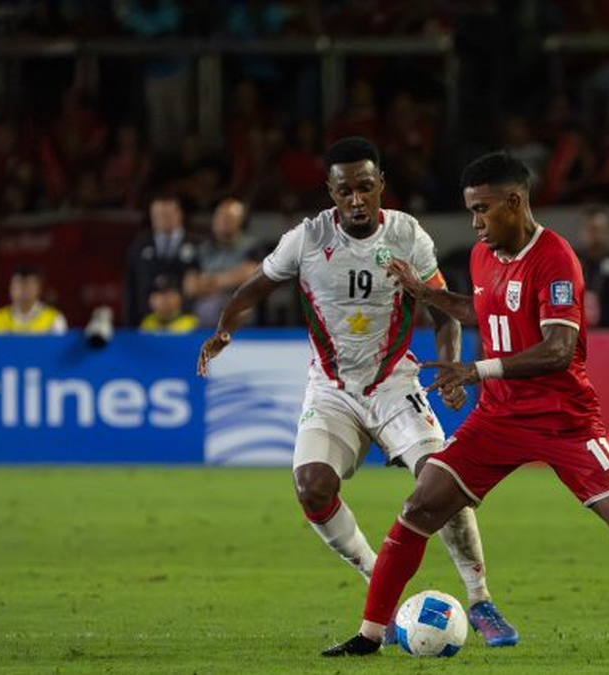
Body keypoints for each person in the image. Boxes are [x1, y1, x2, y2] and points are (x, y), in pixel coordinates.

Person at [322, 152, 609, 657]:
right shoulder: (484, 255)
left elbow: (558, 349)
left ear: (515, 202)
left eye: (482, 209)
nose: (475, 223)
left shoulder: (555, 259)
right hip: (498, 417)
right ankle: (370, 636)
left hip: (565, 421)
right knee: (419, 508)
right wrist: (424, 294)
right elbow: (482, 312)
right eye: (471, 211)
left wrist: (478, 371)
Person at [196, 137, 517, 646]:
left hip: (394, 384)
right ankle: (378, 584)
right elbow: (253, 288)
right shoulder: (306, 238)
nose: (356, 199)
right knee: (312, 487)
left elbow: (439, 309)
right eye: (345, 190)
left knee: (443, 482)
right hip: (331, 390)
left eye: (366, 187)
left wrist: (453, 365)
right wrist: (223, 329)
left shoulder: (408, 234)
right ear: (331, 191)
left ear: (380, 186)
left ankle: (481, 601)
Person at [124, 194, 202, 327]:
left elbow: (201, 283)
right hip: (146, 324)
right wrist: (130, 324)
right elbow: (131, 286)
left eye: (167, 214)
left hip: (188, 324)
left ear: (179, 214)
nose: (163, 219)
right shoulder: (139, 245)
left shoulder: (198, 244)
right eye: (158, 215)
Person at [185, 198, 263, 327]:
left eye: (229, 218)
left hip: (241, 319)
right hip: (204, 322)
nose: (223, 221)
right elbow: (190, 287)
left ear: (241, 221)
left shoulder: (252, 246)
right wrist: (231, 277)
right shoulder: (202, 248)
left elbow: (250, 275)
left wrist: (209, 281)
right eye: (220, 216)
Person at [0, 266, 68, 335]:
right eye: (18, 286)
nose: (22, 291)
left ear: (38, 289)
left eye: (28, 286)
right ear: (10, 288)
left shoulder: (54, 319)